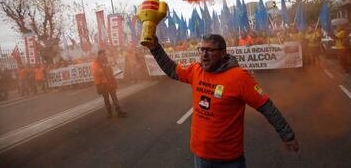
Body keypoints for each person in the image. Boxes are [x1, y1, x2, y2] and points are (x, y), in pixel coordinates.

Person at [148, 34, 299, 168]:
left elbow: (266, 107)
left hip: (229, 160)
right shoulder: (196, 70)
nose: (204, 55)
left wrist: (287, 135)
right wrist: (155, 47)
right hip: (200, 156)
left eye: (210, 50)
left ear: (223, 53)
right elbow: (171, 69)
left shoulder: (240, 77)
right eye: (202, 50)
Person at [92, 50, 127, 118]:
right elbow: (97, 73)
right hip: (103, 84)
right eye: (103, 55)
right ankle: (109, 113)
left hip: (110, 82)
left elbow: (111, 71)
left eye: (105, 54)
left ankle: (119, 112)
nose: (104, 56)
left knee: (114, 97)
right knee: (106, 99)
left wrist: (111, 68)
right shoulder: (96, 63)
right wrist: (105, 67)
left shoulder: (106, 61)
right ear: (99, 55)